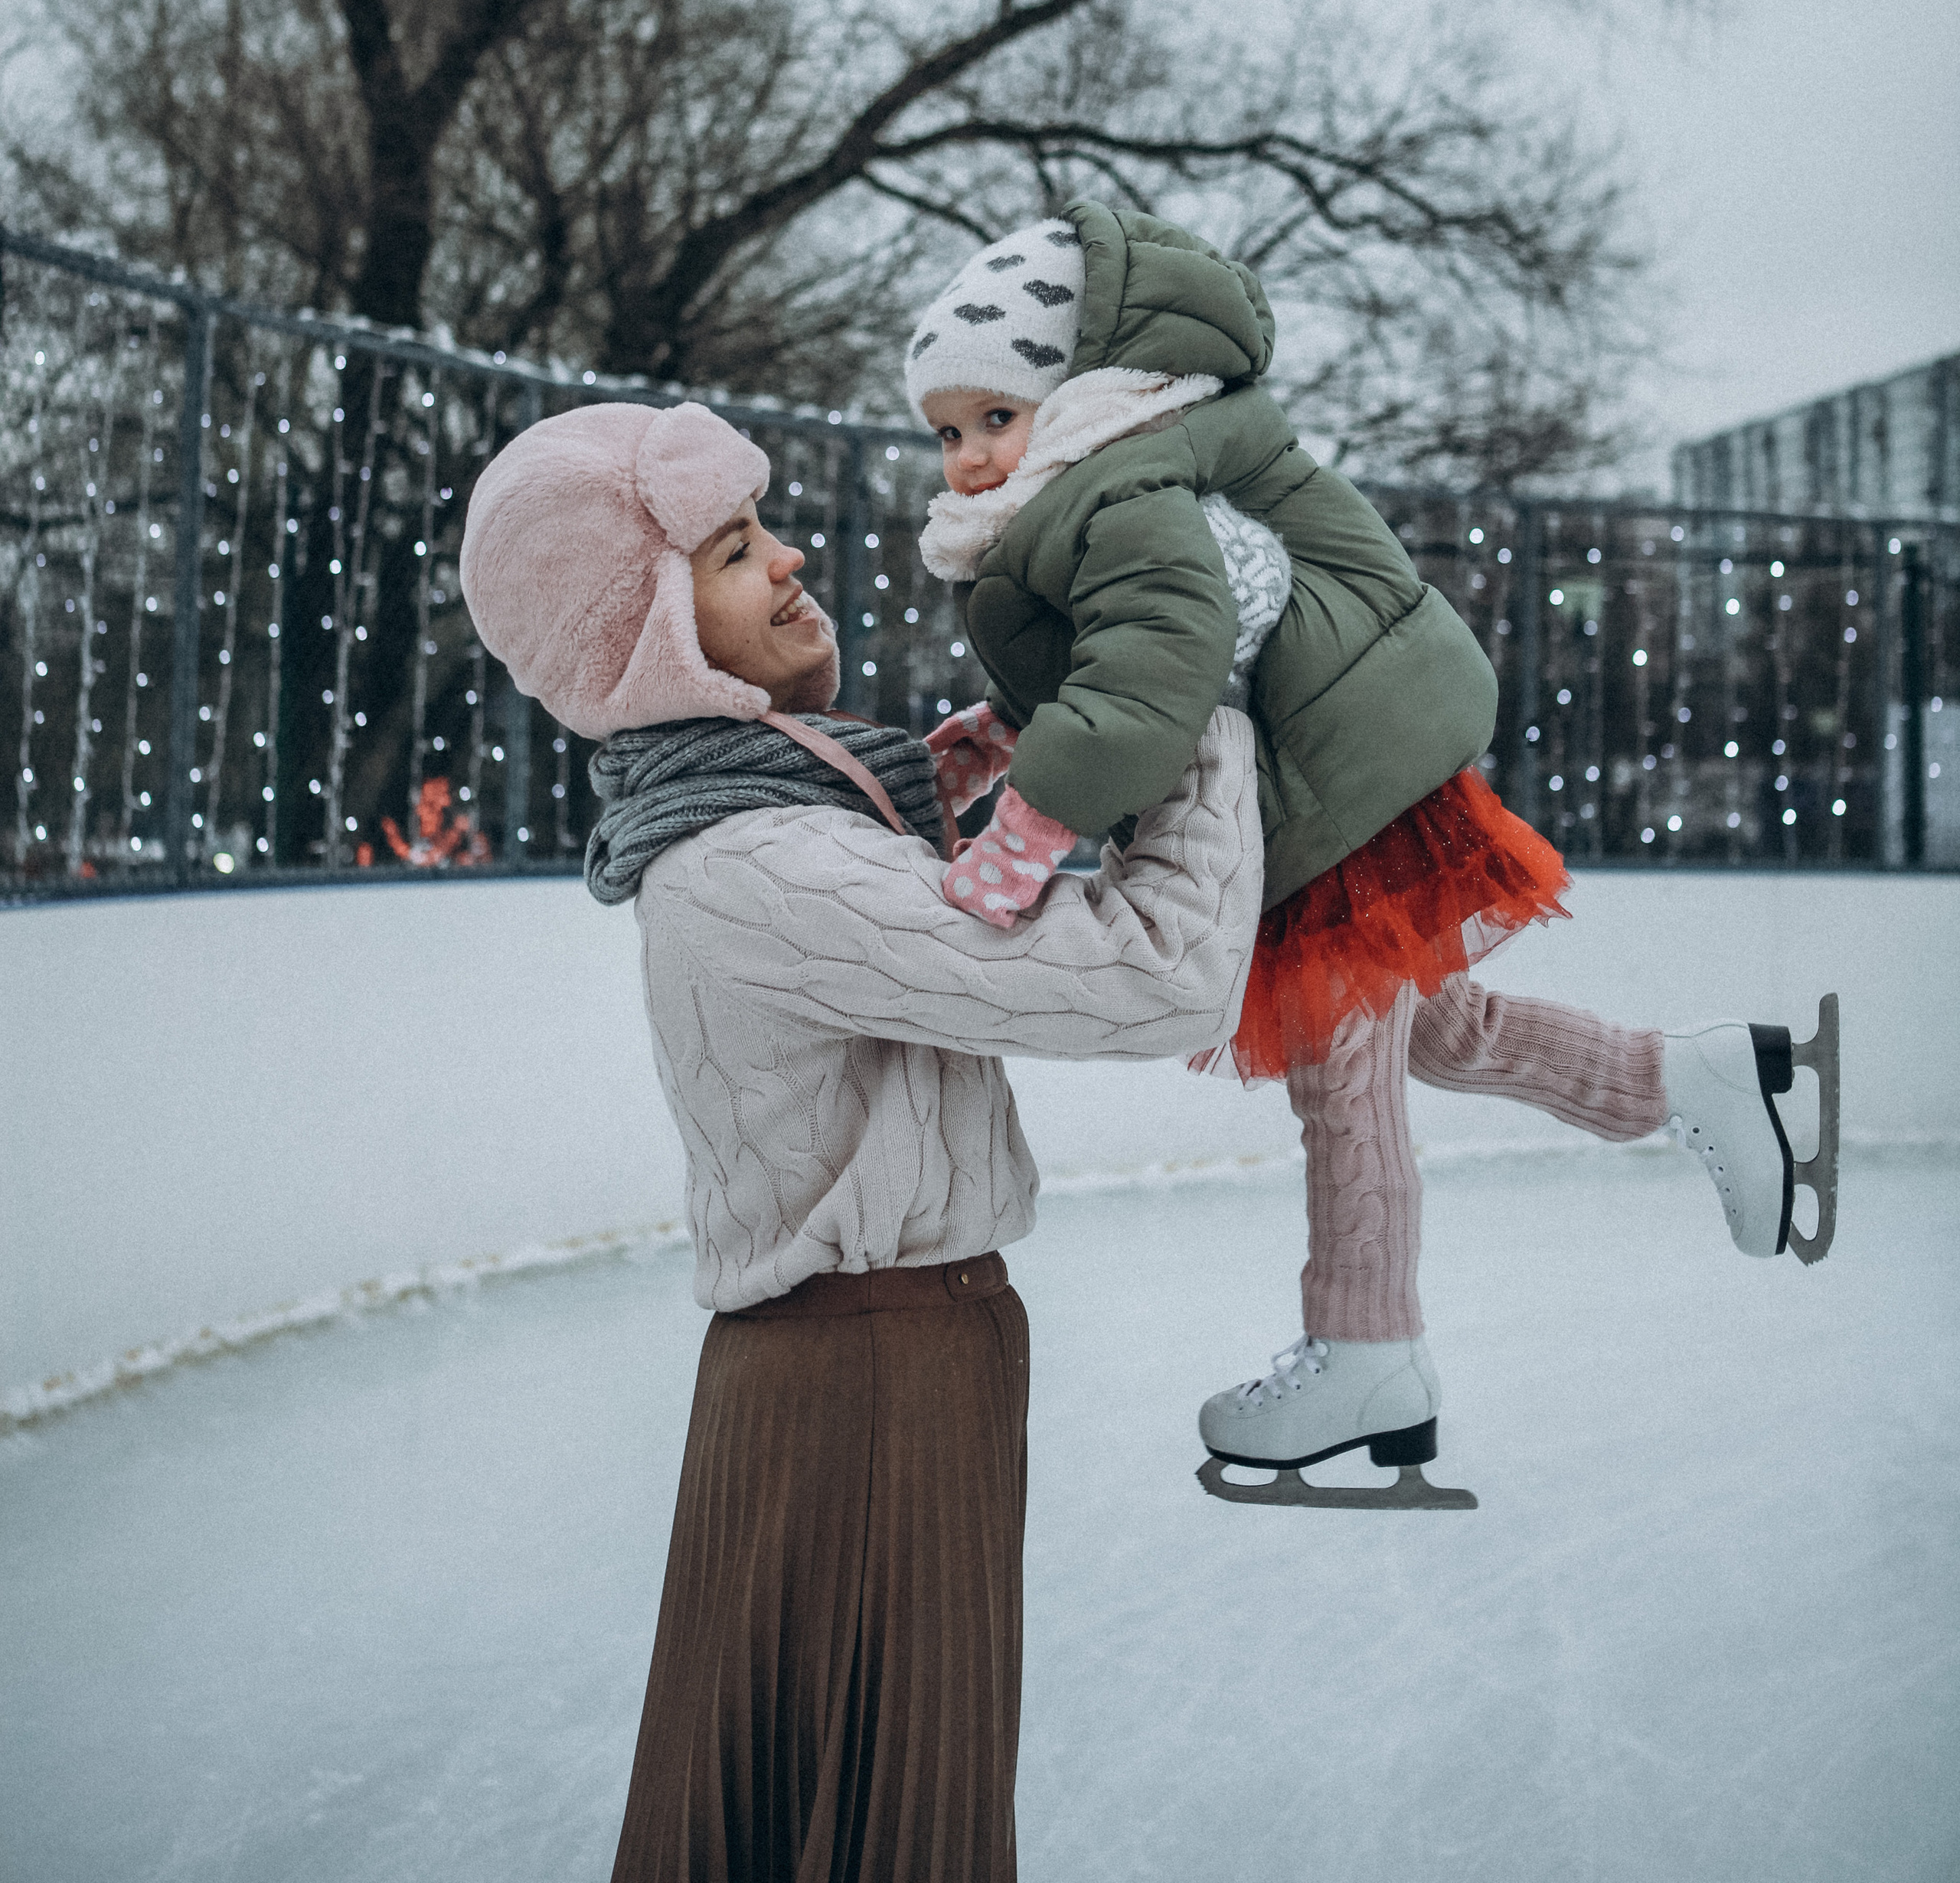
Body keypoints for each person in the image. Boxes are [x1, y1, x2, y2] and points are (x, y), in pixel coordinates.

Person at [906, 201, 1840, 1493]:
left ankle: (1369, 1350)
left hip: (1337, 799)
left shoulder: (1120, 489)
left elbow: (1156, 666)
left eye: (996, 418)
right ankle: (1696, 1078)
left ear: (1074, 395)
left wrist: (1029, 831)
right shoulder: (1112, 482)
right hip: (1346, 778)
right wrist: (1007, 734)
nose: (967, 458)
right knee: (1444, 1033)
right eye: (947, 431)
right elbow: (1146, 654)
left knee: (1341, 1084)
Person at [458, 397, 1266, 1881]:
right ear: (651, 640)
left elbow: (907, 864)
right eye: (731, 551)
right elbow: (1157, 974)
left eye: (761, 526)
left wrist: (1022, 745)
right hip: (871, 1392)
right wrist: (1199, 684)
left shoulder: (773, 814)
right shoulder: (758, 861)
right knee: (897, 1822)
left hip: (873, 1372)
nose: (786, 558)